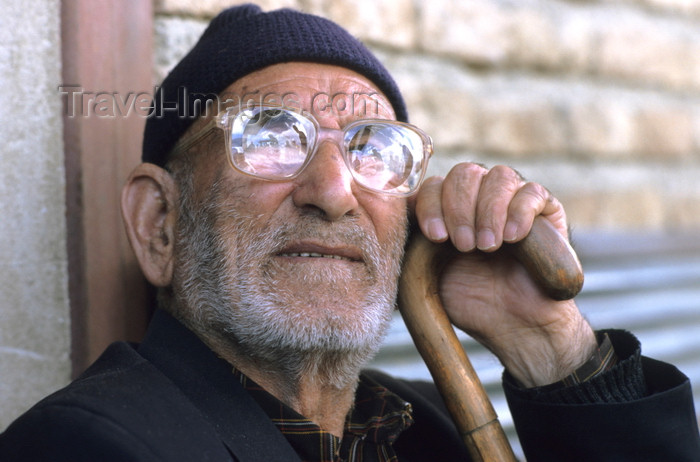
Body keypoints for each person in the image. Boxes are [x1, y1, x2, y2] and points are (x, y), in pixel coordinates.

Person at [1, 4, 699, 461]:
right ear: (160, 225)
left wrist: (550, 347)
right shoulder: (88, 445)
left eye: (373, 149)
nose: (334, 193)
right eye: (272, 138)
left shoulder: (427, 423)